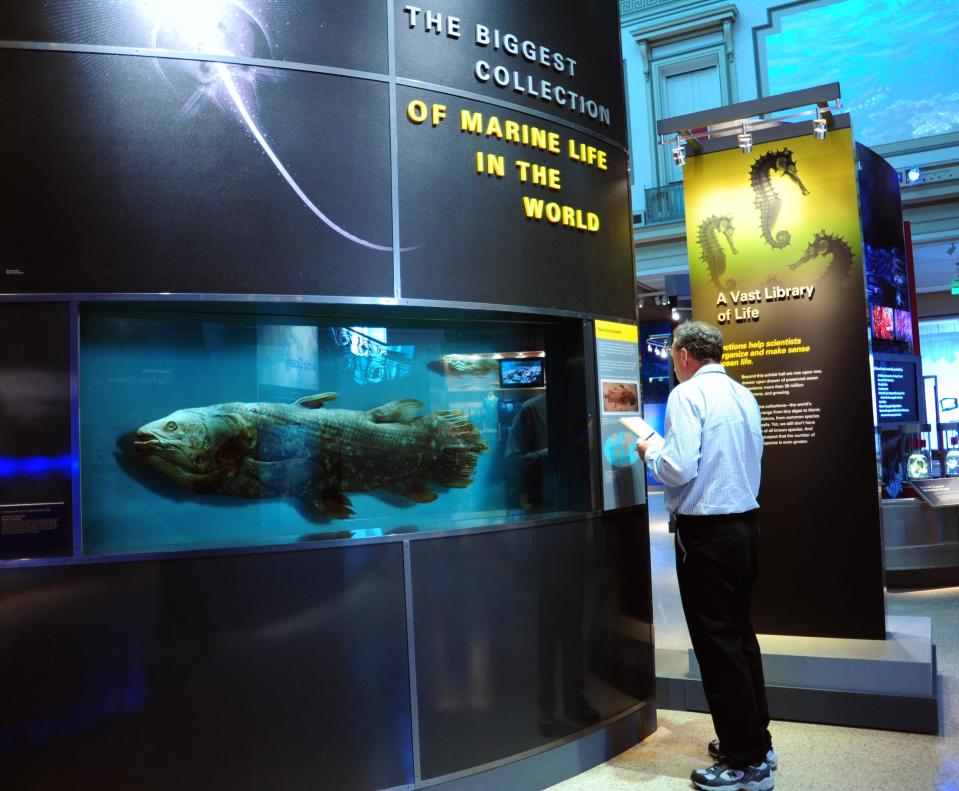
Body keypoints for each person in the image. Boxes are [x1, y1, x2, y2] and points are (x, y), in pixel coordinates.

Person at [636, 321, 776, 791]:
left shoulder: (686, 395)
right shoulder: (743, 395)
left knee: (718, 648)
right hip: (745, 529)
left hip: (708, 536)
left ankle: (745, 762)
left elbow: (678, 468)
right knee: (740, 637)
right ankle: (758, 741)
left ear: (682, 355)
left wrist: (650, 452)